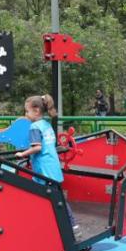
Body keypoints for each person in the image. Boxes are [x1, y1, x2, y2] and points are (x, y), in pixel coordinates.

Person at [15, 95, 82, 241]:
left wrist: (22, 154)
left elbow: (37, 148)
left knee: (45, 197)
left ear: (36, 110)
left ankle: (68, 226)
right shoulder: (46, 125)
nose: (25, 114)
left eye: (27, 111)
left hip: (44, 170)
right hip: (53, 167)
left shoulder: (34, 127)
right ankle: (71, 226)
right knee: (57, 197)